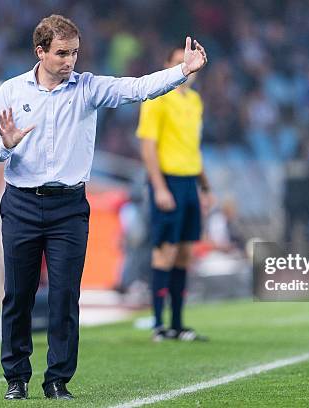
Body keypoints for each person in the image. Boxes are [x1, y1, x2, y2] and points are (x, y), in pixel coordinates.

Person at [0, 15, 207, 400]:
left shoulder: (87, 88)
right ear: (40, 51)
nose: (69, 61)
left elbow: (137, 89)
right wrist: (9, 144)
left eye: (74, 53)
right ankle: (15, 378)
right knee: (18, 294)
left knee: (66, 295)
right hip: (20, 203)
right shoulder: (11, 91)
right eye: (61, 53)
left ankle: (57, 380)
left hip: (69, 207)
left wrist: (181, 71)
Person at [136, 47, 213, 342]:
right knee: (165, 251)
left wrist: (205, 186)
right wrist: (159, 187)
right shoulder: (157, 97)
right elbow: (147, 146)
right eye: (179, 61)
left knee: (183, 253)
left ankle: (179, 324)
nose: (187, 67)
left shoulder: (194, 101)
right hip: (167, 181)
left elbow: (193, 147)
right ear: (167, 66)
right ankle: (159, 324)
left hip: (189, 182)